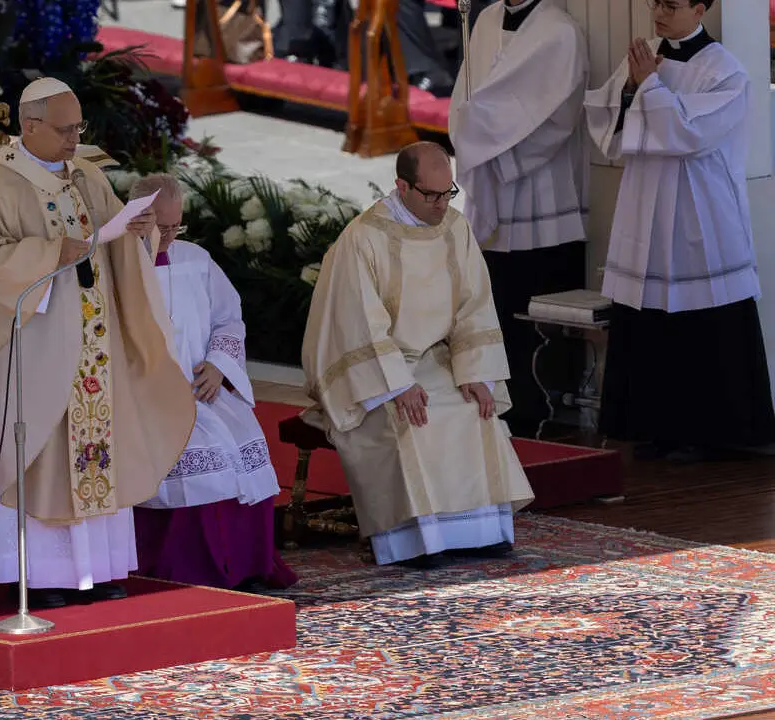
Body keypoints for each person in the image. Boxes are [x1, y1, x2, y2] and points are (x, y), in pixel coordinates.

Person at [0, 78, 196, 610]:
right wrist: (51, 252)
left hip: (94, 343)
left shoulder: (88, 176)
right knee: (46, 454)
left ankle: (97, 568)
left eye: (78, 127)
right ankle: (41, 574)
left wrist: (138, 230)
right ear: (28, 126)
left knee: (100, 448)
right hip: (35, 347)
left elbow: (114, 240)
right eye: (64, 129)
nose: (74, 138)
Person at [301, 142, 535, 569]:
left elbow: (474, 303)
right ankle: (416, 541)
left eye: (449, 193)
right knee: (412, 417)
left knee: (472, 408)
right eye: (432, 195)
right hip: (379, 369)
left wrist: (473, 369)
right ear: (402, 187)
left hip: (438, 359)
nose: (442, 205)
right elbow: (358, 323)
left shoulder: (455, 228)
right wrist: (396, 383)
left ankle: (478, 532)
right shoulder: (364, 238)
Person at [585, 0, 775, 461]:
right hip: (645, 200)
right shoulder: (646, 53)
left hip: (699, 211)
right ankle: (655, 428)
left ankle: (709, 432)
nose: (659, 13)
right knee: (650, 316)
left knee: (702, 318)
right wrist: (632, 88)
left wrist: (648, 85)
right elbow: (606, 122)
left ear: (701, 8)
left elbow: (688, 135)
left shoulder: (725, 70)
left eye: (672, 5)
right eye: (656, 3)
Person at [127, 174, 297, 593]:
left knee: (243, 441)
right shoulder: (117, 265)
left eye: (175, 226)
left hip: (202, 387)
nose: (168, 236)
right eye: (159, 227)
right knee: (201, 456)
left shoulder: (195, 259)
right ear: (136, 217)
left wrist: (219, 365)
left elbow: (228, 318)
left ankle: (245, 567)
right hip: (145, 396)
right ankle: (196, 570)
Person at [448, 0, 590, 438]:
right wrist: (475, 135)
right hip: (495, 183)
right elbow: (467, 94)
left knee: (533, 303)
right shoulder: (486, 19)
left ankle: (538, 407)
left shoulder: (559, 31)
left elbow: (559, 115)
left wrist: (499, 151)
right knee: (494, 301)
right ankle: (491, 401)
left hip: (538, 186)